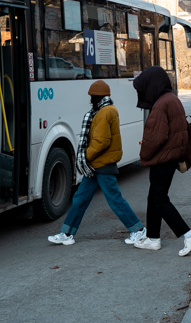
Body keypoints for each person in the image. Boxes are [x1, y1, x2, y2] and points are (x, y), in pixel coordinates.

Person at [47, 80, 146, 246]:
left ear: (96, 97)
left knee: (114, 199)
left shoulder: (105, 112)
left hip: (102, 164)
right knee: (80, 199)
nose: (90, 100)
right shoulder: (104, 110)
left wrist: (85, 156)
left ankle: (138, 230)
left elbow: (101, 141)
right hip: (95, 165)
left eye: (91, 96)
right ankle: (67, 233)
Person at [130, 66, 191, 256]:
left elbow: (155, 138)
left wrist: (144, 154)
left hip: (162, 158)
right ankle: (153, 238)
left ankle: (188, 235)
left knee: (159, 199)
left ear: (152, 84)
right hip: (171, 157)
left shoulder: (160, 105)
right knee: (154, 197)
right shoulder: (172, 99)